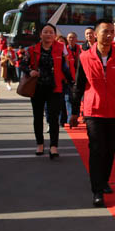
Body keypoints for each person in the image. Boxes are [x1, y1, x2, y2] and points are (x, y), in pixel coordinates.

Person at [71, 19, 115, 207]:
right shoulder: (85, 57)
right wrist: (74, 112)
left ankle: (103, 180)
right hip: (94, 111)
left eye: (111, 32)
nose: (109, 35)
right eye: (104, 32)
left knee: (109, 150)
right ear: (95, 34)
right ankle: (97, 191)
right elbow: (78, 85)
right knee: (96, 149)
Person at [24, 23, 72, 159]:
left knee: (53, 118)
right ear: (40, 34)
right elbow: (22, 64)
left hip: (54, 88)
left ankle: (53, 146)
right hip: (37, 88)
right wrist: (29, 71)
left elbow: (65, 68)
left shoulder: (60, 49)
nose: (48, 34)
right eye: (45, 32)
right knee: (38, 117)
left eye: (51, 32)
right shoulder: (32, 49)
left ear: (55, 35)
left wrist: (72, 82)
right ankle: (40, 144)